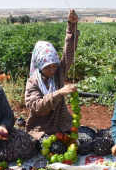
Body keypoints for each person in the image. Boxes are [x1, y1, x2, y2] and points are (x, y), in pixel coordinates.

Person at [25, 9, 79, 141]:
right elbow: (37, 107)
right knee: (55, 147)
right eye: (47, 67)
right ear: (39, 66)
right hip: (41, 129)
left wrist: (71, 25)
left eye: (54, 66)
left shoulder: (58, 73)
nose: (52, 70)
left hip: (63, 124)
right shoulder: (33, 82)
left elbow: (69, 53)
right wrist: (59, 93)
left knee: (83, 142)